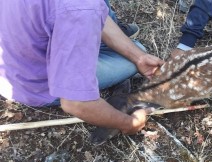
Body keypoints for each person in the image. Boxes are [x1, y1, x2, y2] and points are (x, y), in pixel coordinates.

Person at [0, 0, 164, 135]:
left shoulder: (82, 8)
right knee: (130, 60)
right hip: (33, 84)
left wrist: (139, 57)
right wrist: (129, 123)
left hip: (12, 63)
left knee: (104, 8)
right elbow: (75, 103)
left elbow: (93, 9)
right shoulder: (80, 9)